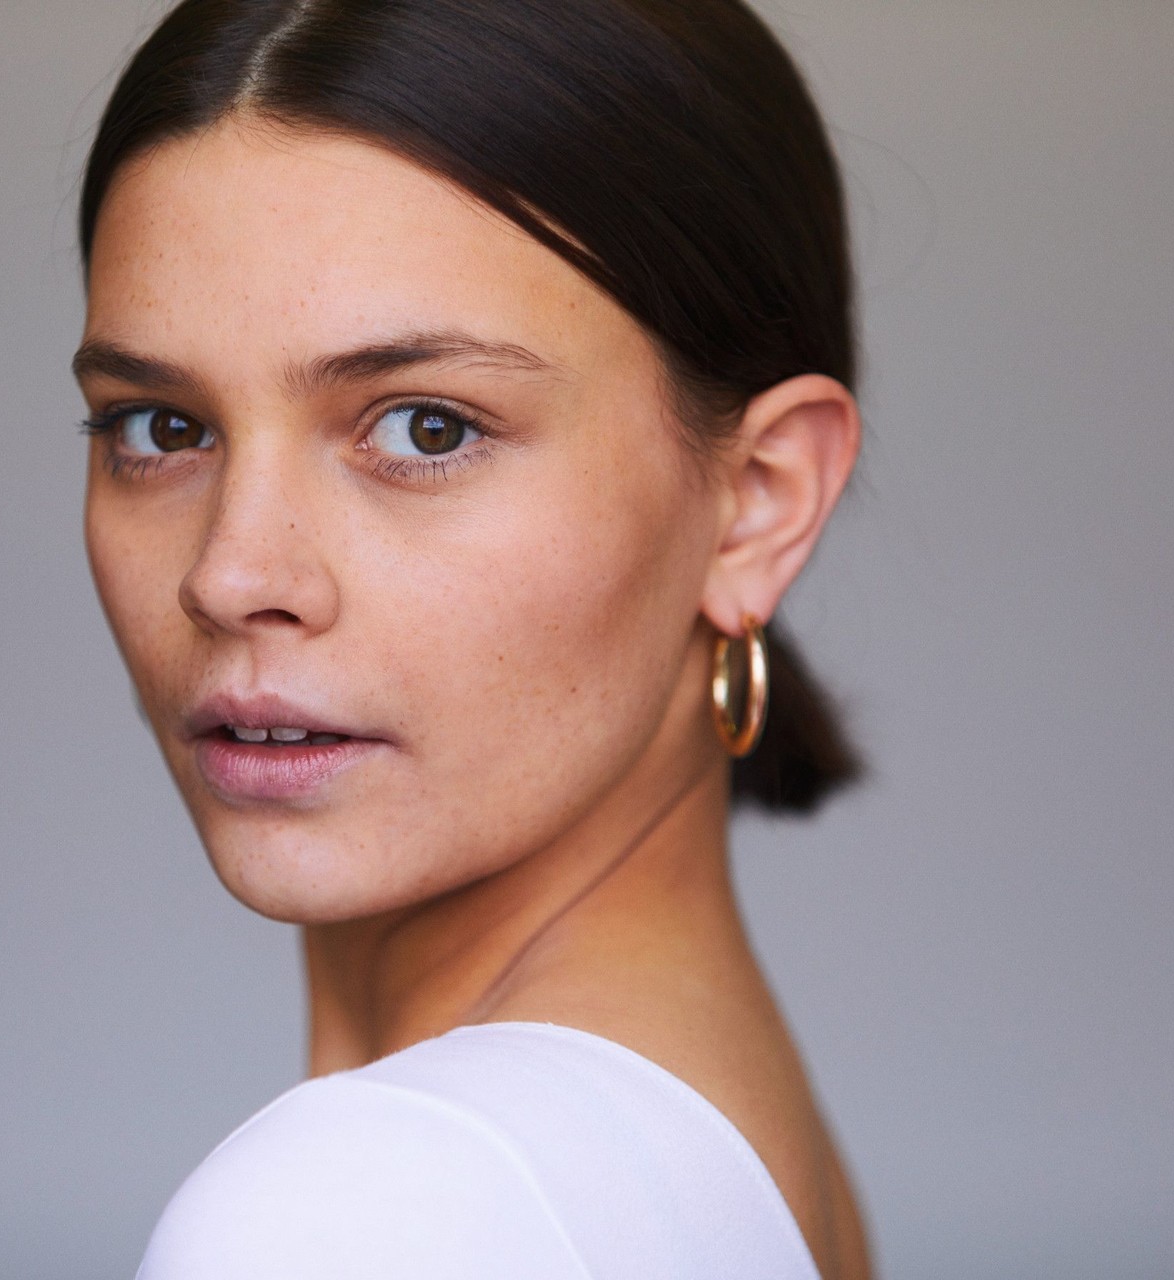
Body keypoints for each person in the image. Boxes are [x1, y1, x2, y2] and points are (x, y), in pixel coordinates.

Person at [72, 0, 872, 1274]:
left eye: (426, 427)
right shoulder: (695, 1156)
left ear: (759, 501)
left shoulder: (391, 1205)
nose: (230, 574)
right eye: (161, 429)